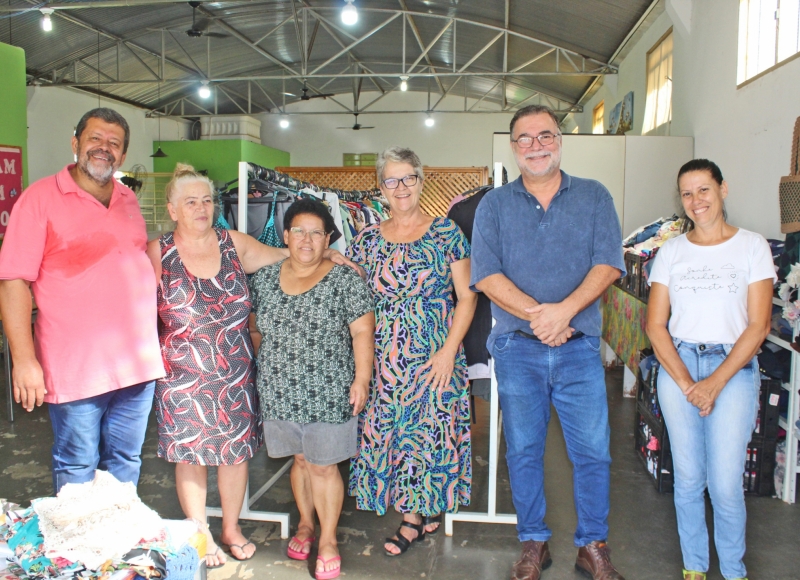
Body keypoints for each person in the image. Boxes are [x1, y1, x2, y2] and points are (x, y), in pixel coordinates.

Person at [147, 166, 358, 569]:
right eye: (190, 202)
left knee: (233, 455)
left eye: (207, 200)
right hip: (181, 374)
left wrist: (326, 250)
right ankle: (199, 533)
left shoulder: (234, 244)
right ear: (173, 209)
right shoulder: (158, 252)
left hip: (235, 372)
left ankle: (230, 528)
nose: (202, 208)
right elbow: (138, 307)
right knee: (188, 458)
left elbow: (291, 252)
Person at [470, 105, 626, 580]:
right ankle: (534, 541)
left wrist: (564, 314)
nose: (535, 145)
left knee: (593, 452)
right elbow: (487, 275)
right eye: (525, 138)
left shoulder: (594, 196)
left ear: (559, 140)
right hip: (518, 348)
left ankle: (592, 545)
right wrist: (541, 316)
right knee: (522, 450)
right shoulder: (494, 205)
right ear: (513, 147)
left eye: (545, 135)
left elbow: (608, 264)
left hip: (578, 347)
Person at [0, 108, 165, 494]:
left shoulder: (127, 199)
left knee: (126, 461)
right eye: (95, 139)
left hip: (136, 365)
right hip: (76, 367)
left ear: (123, 155)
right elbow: (12, 284)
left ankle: (116, 548)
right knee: (77, 464)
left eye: (113, 143)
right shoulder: (39, 199)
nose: (103, 149)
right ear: (75, 144)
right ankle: (80, 554)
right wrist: (24, 360)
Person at [646, 159, 774, 580]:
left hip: (733, 369)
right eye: (687, 193)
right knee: (687, 480)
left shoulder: (752, 246)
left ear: (722, 189)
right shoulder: (671, 252)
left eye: (704, 189)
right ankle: (694, 569)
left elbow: (759, 326)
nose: (696, 200)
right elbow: (655, 324)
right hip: (679, 364)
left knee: (724, 484)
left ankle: (734, 572)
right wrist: (686, 383)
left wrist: (714, 383)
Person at [347, 147, 477, 557]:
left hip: (435, 355)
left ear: (421, 182)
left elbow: (467, 297)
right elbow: (351, 295)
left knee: (429, 435)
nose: (400, 188)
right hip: (384, 357)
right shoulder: (366, 239)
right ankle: (419, 509)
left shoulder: (446, 233)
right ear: (380, 187)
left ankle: (414, 519)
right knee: (396, 435)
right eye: (391, 180)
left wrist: (448, 352)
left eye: (408, 178)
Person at [248, 198, 375, 580]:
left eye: (316, 232)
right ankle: (305, 523)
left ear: (328, 239)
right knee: (300, 461)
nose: (306, 239)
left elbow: (362, 331)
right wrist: (264, 369)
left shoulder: (345, 280)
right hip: (279, 389)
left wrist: (362, 379)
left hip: (329, 389)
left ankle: (330, 539)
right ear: (285, 235)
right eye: (299, 231)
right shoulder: (265, 278)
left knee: (323, 465)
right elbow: (256, 328)